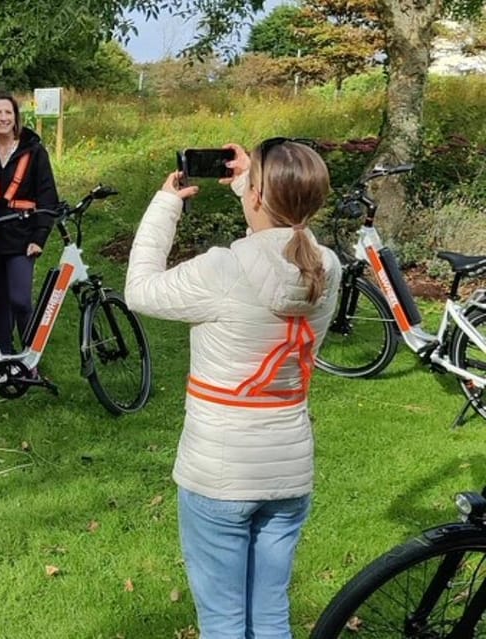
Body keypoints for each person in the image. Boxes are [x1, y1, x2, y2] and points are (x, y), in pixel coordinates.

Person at [124, 139, 342, 639]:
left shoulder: (223, 268)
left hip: (219, 470)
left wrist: (165, 205)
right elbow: (281, 244)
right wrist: (253, 186)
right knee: (270, 616)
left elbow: (139, 291)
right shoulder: (327, 268)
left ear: (260, 198)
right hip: (288, 468)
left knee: (222, 622)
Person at [0, 92, 58, 356]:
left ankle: (31, 355)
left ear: (16, 118)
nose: (3, 118)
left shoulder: (34, 151)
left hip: (23, 236)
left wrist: (40, 236)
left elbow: (47, 195)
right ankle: (5, 356)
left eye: (7, 113)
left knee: (20, 299)